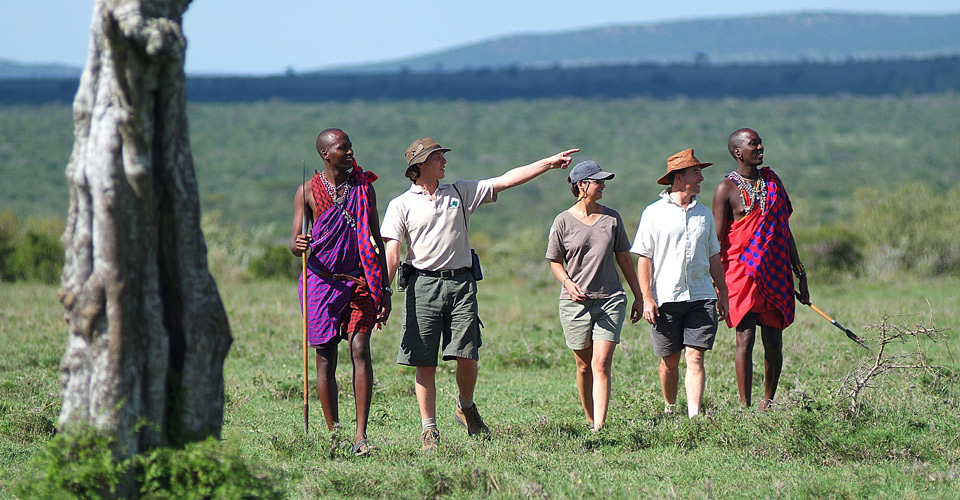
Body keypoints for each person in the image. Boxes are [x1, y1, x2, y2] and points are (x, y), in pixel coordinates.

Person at [382, 137, 578, 450]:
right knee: (425, 362)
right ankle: (429, 430)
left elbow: (504, 180)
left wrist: (548, 163)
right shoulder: (400, 205)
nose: (444, 161)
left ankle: (466, 405)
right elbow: (393, 252)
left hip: (461, 283)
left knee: (467, 354)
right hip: (422, 285)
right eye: (437, 157)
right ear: (418, 166)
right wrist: (384, 289)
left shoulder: (460, 191)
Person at [289, 128, 392, 456]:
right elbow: (294, 241)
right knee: (325, 358)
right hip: (320, 283)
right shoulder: (306, 191)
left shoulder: (365, 189)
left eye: (350, 147)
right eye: (343, 148)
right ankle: (336, 436)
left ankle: (361, 436)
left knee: (360, 348)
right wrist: (298, 244)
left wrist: (384, 289)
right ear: (325, 154)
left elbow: (376, 238)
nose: (350, 152)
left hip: (359, 280)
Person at [712, 128, 810, 411]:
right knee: (745, 338)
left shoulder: (773, 183)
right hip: (740, 274)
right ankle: (745, 406)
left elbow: (783, 230)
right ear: (737, 152)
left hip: (776, 272)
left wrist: (800, 273)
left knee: (773, 340)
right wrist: (719, 287)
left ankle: (767, 402)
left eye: (760, 142)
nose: (760, 147)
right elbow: (717, 242)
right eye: (752, 144)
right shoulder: (725, 189)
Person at [545, 160, 643, 431]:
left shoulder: (612, 218)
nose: (603, 185)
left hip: (610, 299)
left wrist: (639, 296)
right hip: (574, 303)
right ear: (581, 186)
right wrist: (567, 282)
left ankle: (599, 425)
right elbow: (554, 261)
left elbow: (624, 259)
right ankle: (589, 418)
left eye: (603, 181)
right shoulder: (562, 221)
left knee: (601, 363)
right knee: (584, 365)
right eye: (598, 181)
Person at [632, 149, 729, 418]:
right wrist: (647, 297)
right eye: (696, 173)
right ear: (679, 177)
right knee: (669, 361)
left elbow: (713, 256)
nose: (701, 179)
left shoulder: (704, 214)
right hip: (666, 298)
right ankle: (670, 407)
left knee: (695, 357)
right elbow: (644, 259)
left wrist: (723, 292)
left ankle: (694, 416)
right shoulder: (653, 213)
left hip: (701, 295)